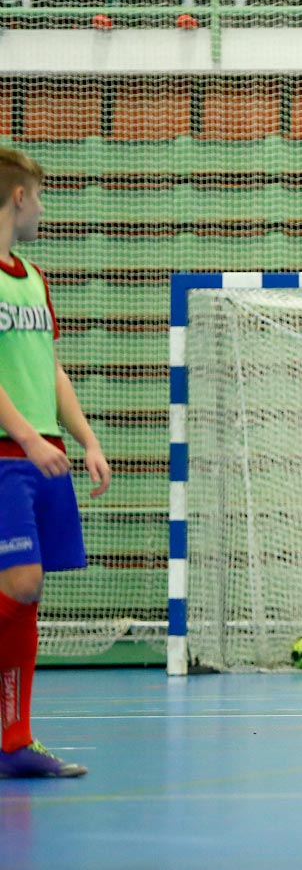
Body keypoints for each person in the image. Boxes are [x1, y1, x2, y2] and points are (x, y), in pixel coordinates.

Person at [0, 148, 112, 779]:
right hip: (6, 453)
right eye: (38, 196)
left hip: (42, 451)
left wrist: (86, 439)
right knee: (22, 584)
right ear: (19, 197)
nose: (42, 208)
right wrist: (27, 437)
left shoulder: (35, 280)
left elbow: (50, 368)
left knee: (28, 595)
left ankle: (15, 741)